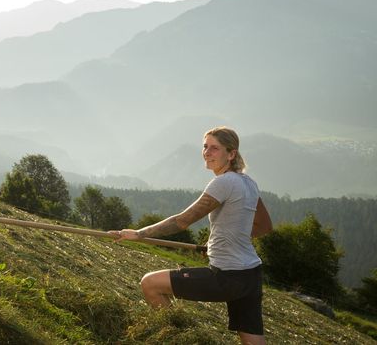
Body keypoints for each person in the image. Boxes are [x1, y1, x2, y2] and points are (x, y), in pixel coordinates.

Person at [109, 127, 273, 345]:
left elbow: (182, 220)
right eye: (205, 146)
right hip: (251, 274)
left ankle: (179, 339)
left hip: (228, 275)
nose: (207, 152)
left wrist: (139, 234)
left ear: (231, 154)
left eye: (214, 148)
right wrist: (225, 242)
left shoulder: (223, 182)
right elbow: (264, 225)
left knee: (150, 284)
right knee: (253, 340)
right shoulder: (248, 183)